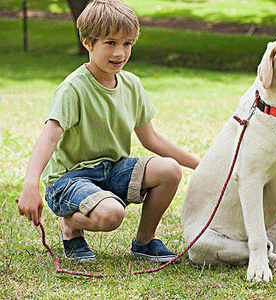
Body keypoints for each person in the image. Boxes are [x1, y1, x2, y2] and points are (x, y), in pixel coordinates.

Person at [17, 0, 200, 263]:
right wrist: (30, 184)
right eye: (110, 43)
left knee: (170, 170)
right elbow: (49, 136)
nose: (120, 53)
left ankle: (145, 241)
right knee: (112, 215)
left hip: (112, 170)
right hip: (69, 179)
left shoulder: (132, 84)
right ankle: (70, 227)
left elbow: (150, 138)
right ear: (87, 42)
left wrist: (200, 165)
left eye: (127, 44)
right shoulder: (73, 88)